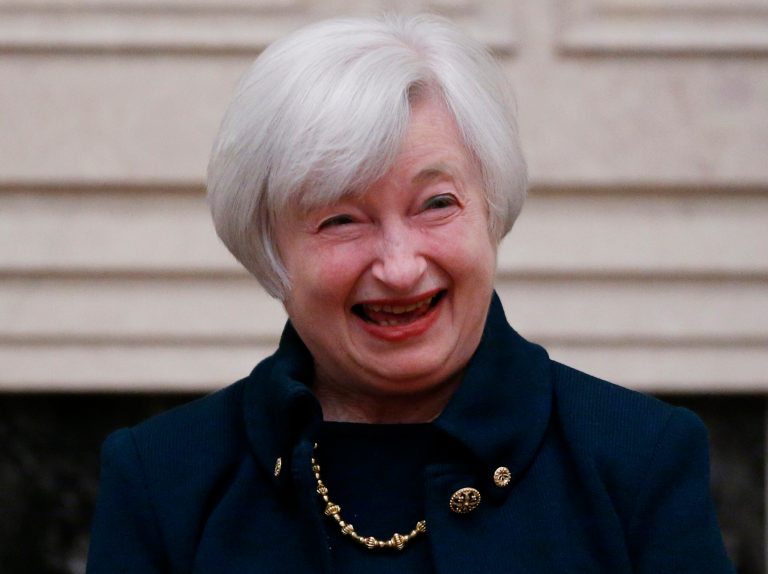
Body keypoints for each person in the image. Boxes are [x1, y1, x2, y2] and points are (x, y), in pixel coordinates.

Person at [86, 14, 734, 573]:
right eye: (341, 219)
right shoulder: (161, 480)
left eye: (435, 204)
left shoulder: (639, 460)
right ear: (271, 248)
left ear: (492, 208)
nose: (399, 267)